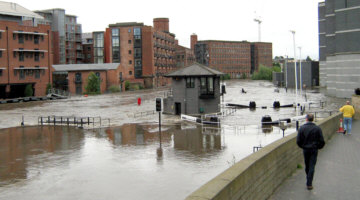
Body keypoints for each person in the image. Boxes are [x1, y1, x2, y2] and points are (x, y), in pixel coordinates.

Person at [296, 114, 325, 190]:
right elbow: (322, 141)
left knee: (307, 165)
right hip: (314, 149)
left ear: (306, 119)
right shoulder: (317, 128)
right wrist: (318, 147)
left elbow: (298, 141)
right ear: (313, 119)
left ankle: (308, 179)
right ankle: (309, 183)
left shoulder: (302, 128)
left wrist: (303, 146)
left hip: (306, 149)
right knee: (312, 165)